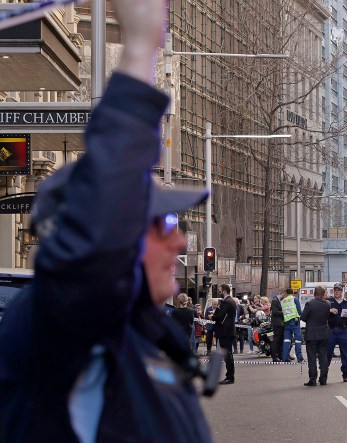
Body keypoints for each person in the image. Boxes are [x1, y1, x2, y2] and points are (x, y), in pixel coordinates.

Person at [0, 1, 213, 440]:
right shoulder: (61, 325)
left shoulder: (137, 336)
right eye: (161, 225)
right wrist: (140, 48)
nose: (178, 244)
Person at [300, 286, 331, 386]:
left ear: (314, 293)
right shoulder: (327, 305)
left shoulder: (310, 304)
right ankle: (323, 379)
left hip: (312, 334)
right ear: (323, 295)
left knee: (312, 357)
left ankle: (312, 379)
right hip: (323, 333)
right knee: (323, 356)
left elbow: (303, 317)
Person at [326, 283, 347, 382]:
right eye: (335, 290)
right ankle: (324, 374)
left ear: (342, 291)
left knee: (346, 353)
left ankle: (345, 374)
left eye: (338, 290)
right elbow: (322, 313)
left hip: (343, 330)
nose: (336, 291)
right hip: (331, 331)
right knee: (327, 353)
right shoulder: (329, 302)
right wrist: (329, 310)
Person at [213, 284, 237, 384]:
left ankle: (230, 377)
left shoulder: (226, 302)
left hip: (225, 332)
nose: (219, 292)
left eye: (219, 290)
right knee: (228, 354)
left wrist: (212, 317)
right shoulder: (231, 301)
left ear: (224, 291)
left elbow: (219, 317)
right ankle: (230, 376)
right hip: (228, 331)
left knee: (227, 355)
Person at [281, 288, 304, 363]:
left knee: (286, 340)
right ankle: (299, 358)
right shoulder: (294, 299)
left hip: (287, 322)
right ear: (292, 293)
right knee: (297, 340)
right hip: (295, 321)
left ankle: (285, 358)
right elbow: (299, 311)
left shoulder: (283, 301)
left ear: (286, 293)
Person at [270, 292, 285, 362]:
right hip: (277, 323)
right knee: (276, 340)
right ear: (282, 293)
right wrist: (284, 312)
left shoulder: (278, 301)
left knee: (280, 340)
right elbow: (275, 312)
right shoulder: (275, 301)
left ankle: (279, 355)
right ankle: (274, 356)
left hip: (280, 323)